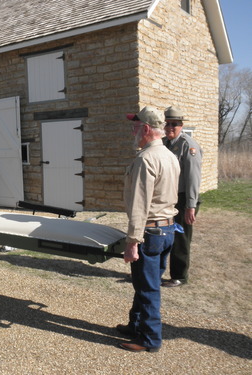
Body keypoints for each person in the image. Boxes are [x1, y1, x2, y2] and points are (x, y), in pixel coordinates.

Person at [117, 106, 180, 352]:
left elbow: (139, 205)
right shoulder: (169, 155)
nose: (132, 130)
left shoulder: (146, 159)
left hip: (150, 232)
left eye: (135, 126)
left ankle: (150, 340)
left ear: (145, 129)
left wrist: (132, 241)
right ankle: (136, 325)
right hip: (167, 230)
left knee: (148, 288)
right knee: (145, 283)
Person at [162, 107, 203, 287]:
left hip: (183, 198)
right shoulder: (163, 143)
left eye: (175, 124)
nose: (170, 127)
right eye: (168, 123)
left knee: (180, 238)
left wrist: (190, 205)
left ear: (181, 125)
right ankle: (158, 272)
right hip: (167, 198)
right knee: (163, 235)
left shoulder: (189, 146)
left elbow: (193, 178)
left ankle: (179, 276)